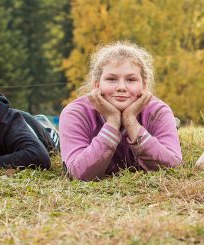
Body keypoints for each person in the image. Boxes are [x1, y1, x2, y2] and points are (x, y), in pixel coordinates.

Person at [59, 41, 182, 181]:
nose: (121, 87)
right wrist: (112, 121)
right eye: (111, 79)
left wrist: (130, 121)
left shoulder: (158, 111)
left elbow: (174, 166)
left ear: (144, 86)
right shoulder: (75, 113)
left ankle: (170, 128)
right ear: (97, 84)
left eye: (131, 79)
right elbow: (78, 174)